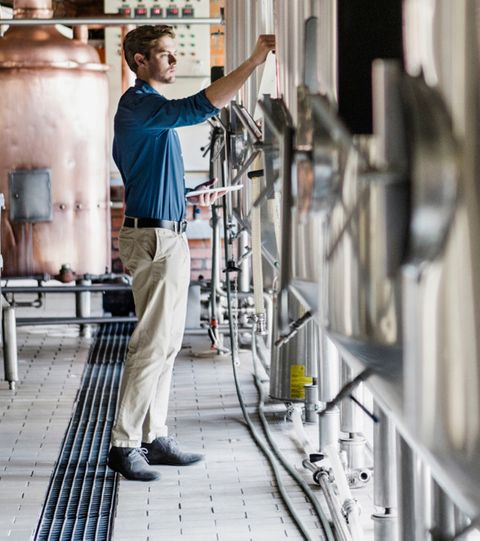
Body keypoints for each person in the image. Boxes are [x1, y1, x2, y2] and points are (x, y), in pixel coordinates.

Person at [108, 25, 275, 481]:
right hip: (154, 240)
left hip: (168, 232)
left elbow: (153, 178)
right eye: (164, 54)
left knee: (168, 344)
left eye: (174, 54)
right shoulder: (139, 105)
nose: (173, 61)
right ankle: (124, 444)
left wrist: (192, 193)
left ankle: (153, 436)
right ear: (139, 61)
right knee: (152, 345)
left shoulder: (151, 112)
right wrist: (254, 61)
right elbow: (200, 105)